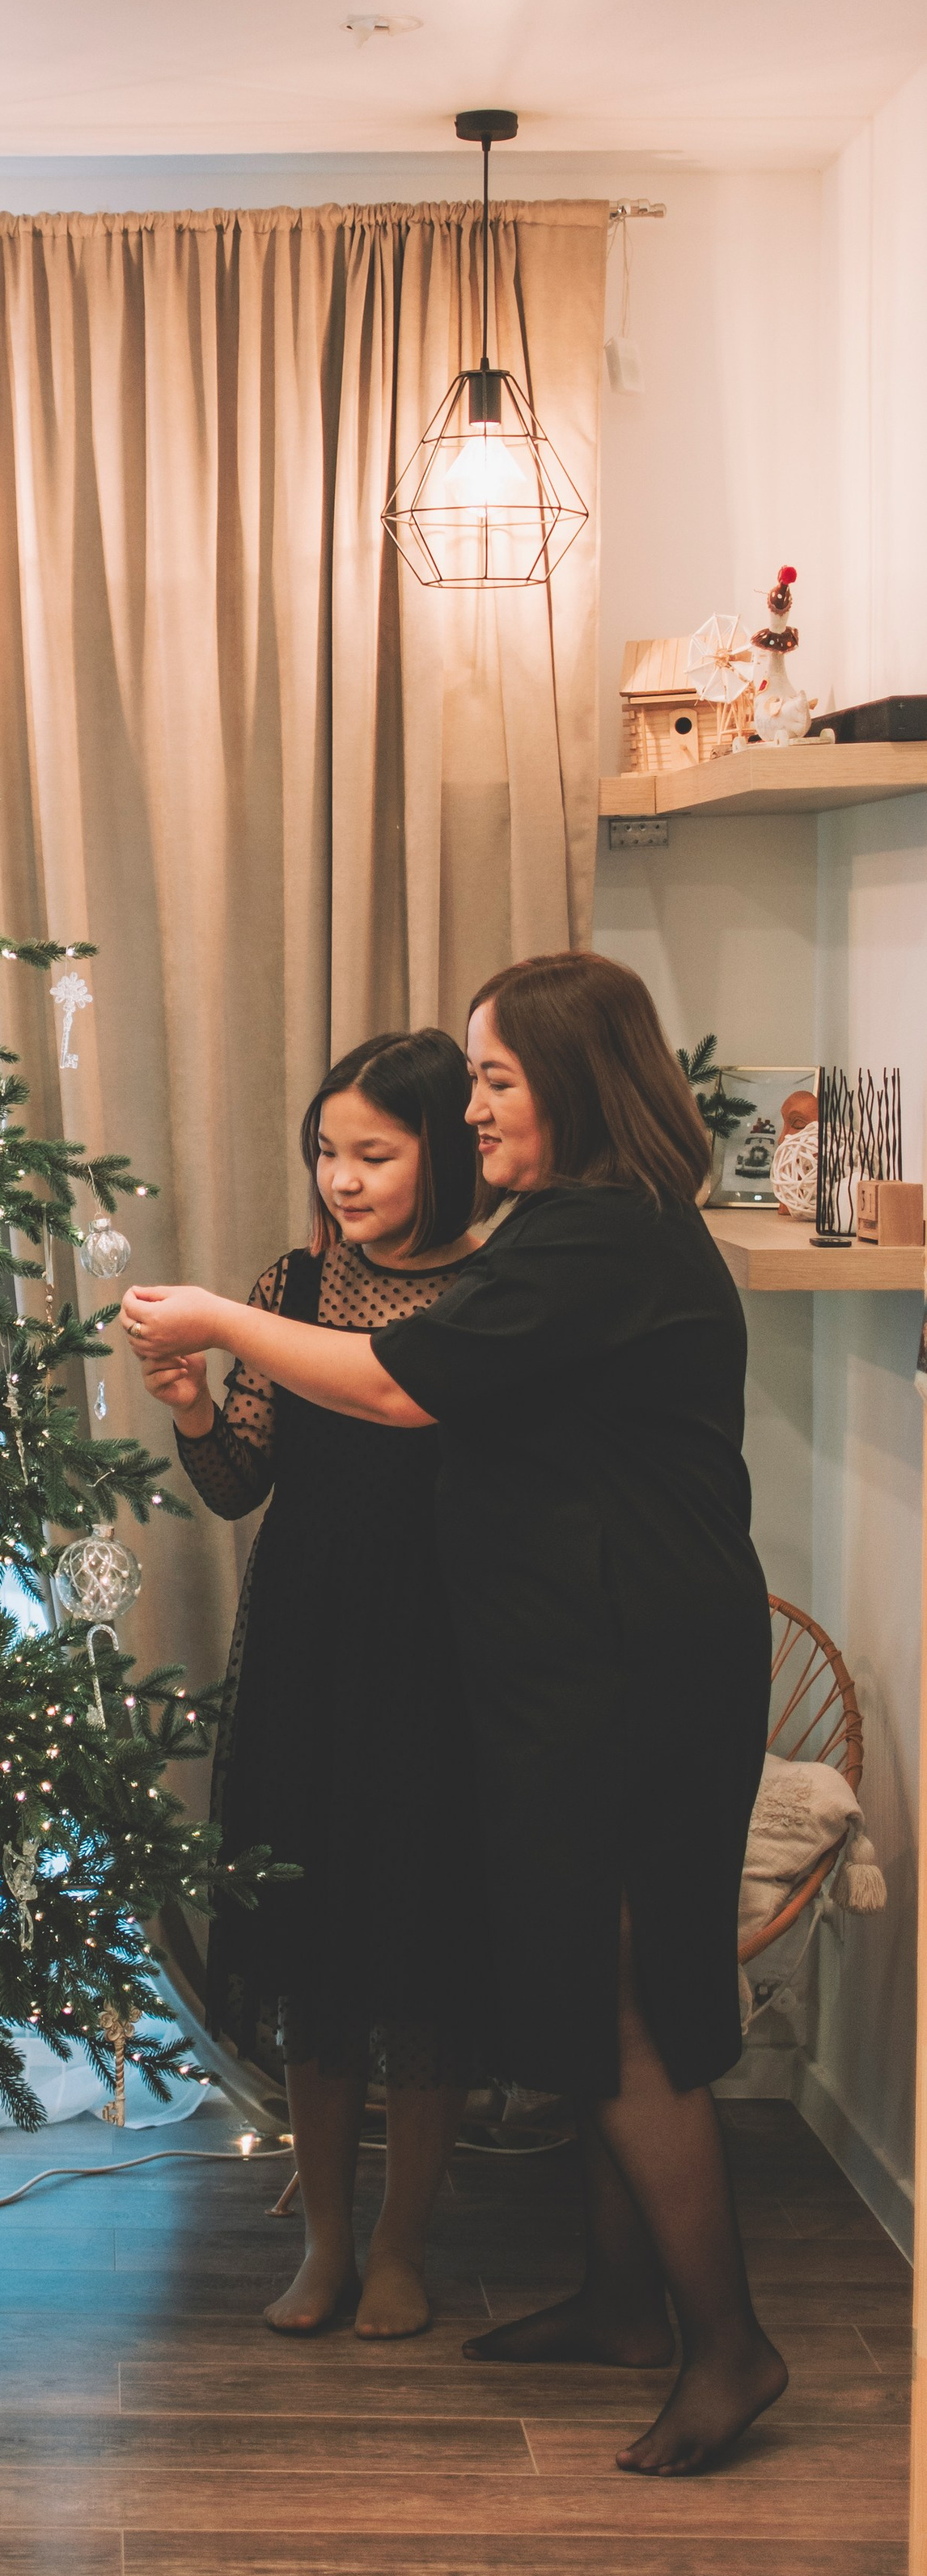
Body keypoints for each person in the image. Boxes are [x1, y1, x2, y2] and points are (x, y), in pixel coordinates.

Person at [123, 951, 782, 2476]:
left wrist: (223, 1314)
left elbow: (401, 1388)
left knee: (629, 2001)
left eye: (494, 1079)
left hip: (635, 1665)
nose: (476, 1106)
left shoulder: (599, 1237)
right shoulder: (571, 1229)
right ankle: (624, 2306)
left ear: (573, 1081)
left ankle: (731, 2345)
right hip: (590, 1655)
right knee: (580, 1977)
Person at [141, 1030, 489, 2342]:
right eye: (326, 1153)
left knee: (423, 1947)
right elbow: (240, 1482)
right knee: (310, 1941)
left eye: (373, 1154)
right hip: (306, 1643)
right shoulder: (292, 1281)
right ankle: (330, 2240)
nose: (342, 1179)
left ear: (441, 1152)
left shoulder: (498, 1283)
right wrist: (186, 1407)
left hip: (447, 1648)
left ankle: (406, 2246)